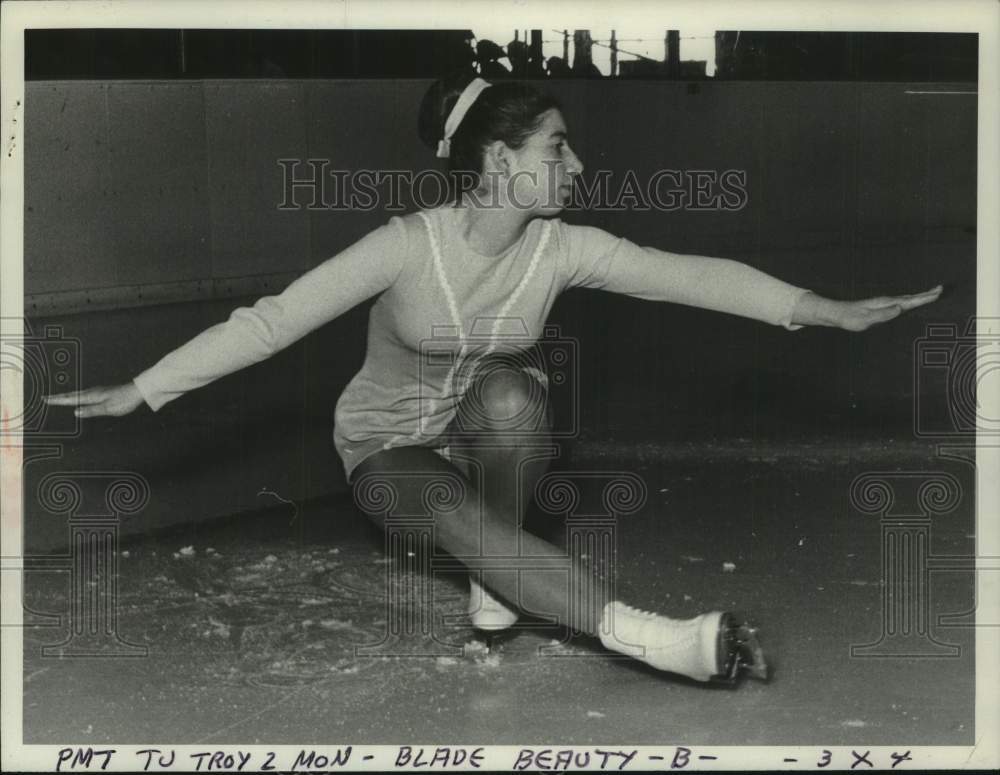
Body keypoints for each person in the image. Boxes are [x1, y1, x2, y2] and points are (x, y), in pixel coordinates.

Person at [45, 74, 942, 685]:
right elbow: (275, 319)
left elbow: (691, 274)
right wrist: (144, 386)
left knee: (515, 399)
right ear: (498, 163)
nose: (576, 166)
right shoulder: (404, 246)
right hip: (388, 447)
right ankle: (657, 640)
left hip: (482, 433)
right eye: (558, 148)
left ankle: (495, 576)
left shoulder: (564, 249)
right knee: (453, 497)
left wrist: (824, 309)